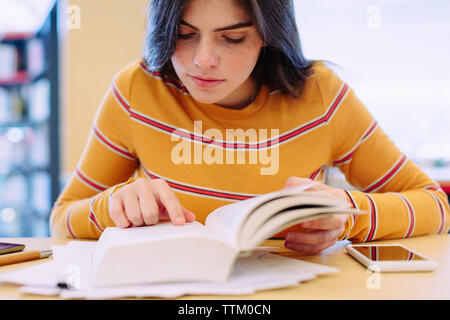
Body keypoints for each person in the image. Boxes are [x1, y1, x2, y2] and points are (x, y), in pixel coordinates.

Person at [50, 0, 449, 254]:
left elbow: (437, 205)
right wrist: (111, 206)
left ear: (268, 38)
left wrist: (348, 213)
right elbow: (61, 218)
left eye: (233, 38)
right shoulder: (136, 89)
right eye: (184, 35)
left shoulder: (321, 97)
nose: (203, 59)